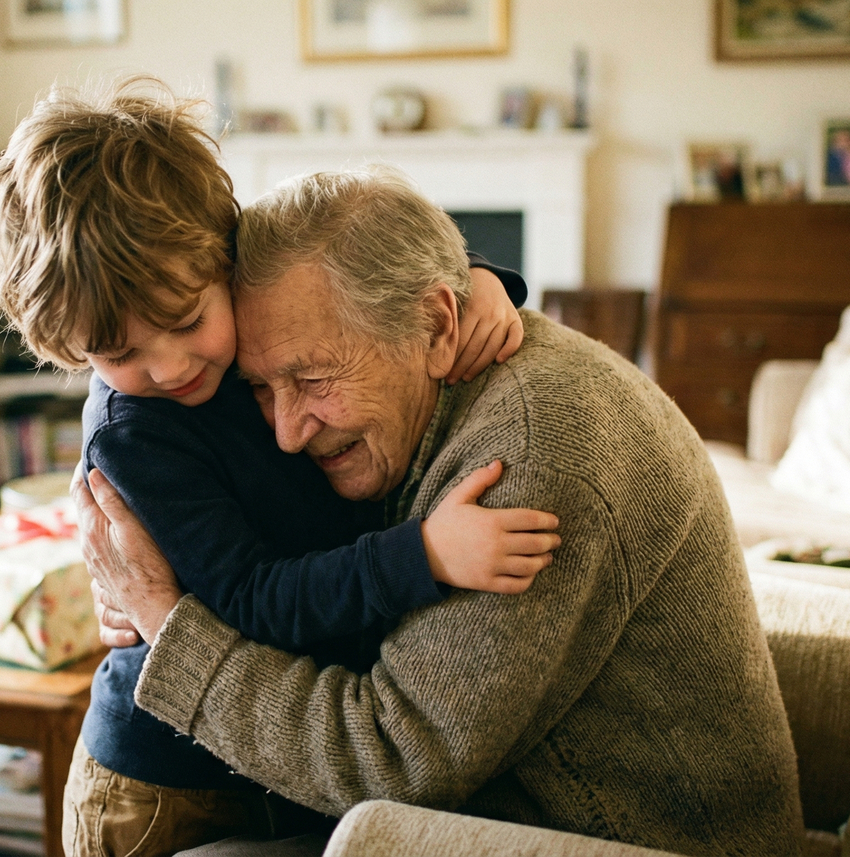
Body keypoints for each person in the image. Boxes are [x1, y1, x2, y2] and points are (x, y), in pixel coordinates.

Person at [76, 168, 807, 856]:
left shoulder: (528, 456)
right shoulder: (439, 382)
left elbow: (391, 759)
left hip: (620, 834)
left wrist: (168, 624)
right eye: (262, 388)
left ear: (437, 323)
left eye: (314, 378)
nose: (286, 432)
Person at [0, 79, 561, 857]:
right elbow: (248, 598)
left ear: (223, 248)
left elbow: (360, 266)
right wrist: (424, 554)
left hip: (280, 762)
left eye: (183, 320)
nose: (170, 368)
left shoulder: (241, 283)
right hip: (166, 788)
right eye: (118, 353)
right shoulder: (134, 438)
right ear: (69, 350)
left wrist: (480, 283)